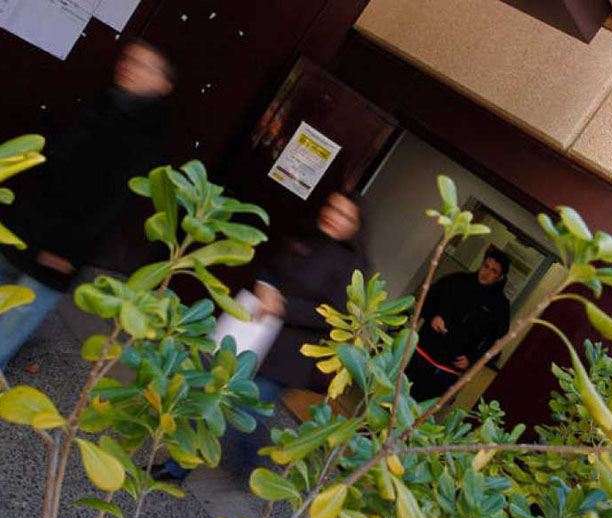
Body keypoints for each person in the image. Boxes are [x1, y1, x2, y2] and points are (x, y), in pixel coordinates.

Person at [156, 190, 368, 482]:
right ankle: (178, 466)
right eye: (332, 207)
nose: (333, 216)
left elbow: (338, 317)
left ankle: (254, 466)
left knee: (245, 411)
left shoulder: (352, 266)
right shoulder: (305, 236)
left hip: (289, 357)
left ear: (356, 226)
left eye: (344, 215)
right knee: (215, 398)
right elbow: (270, 267)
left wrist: (284, 307)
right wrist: (265, 285)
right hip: (254, 335)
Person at [0, 40, 175, 369]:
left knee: (16, 318)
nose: (129, 68)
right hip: (25, 222)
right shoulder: (104, 102)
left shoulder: (147, 138)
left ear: (163, 84)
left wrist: (67, 250)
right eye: (129, 60)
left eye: (144, 66)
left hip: (61, 245)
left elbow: (112, 204)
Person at [406, 248, 511, 402]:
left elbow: (497, 342)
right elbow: (427, 299)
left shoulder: (500, 306)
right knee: (395, 398)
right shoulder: (456, 281)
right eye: (486, 266)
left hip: (447, 370)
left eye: (494, 271)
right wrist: (432, 317)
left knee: (420, 409)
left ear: (500, 277)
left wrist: (473, 359)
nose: (486, 273)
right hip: (422, 352)